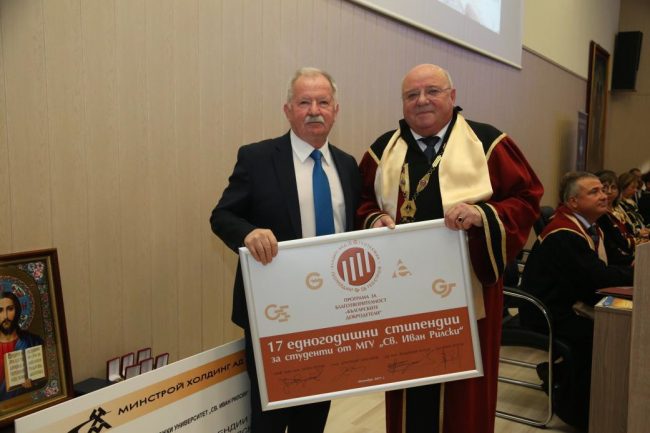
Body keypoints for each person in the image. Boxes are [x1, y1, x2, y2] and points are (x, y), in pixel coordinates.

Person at [356, 63, 543, 433]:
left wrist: (482, 214)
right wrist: (373, 218)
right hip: (403, 292)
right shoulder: (381, 151)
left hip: (469, 289)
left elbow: (527, 199)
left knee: (463, 392)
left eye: (432, 91)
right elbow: (360, 202)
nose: (422, 100)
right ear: (403, 102)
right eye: (412, 94)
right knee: (409, 381)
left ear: (452, 96)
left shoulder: (488, 143)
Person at [210, 67, 361, 433]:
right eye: (304, 102)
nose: (314, 111)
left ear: (335, 110)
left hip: (330, 309)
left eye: (323, 102)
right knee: (270, 416)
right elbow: (223, 215)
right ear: (288, 109)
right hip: (273, 312)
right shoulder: (257, 158)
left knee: (315, 411)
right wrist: (248, 233)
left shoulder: (347, 165)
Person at [519, 171, 634, 430]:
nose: (604, 195)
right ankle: (577, 411)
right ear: (573, 202)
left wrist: (633, 266)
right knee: (605, 335)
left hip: (567, 303)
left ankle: (569, 382)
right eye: (594, 192)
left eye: (602, 190)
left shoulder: (590, 225)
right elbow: (596, 280)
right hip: (546, 312)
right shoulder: (564, 233)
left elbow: (610, 264)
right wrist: (636, 273)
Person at [0, 291, 45, 400]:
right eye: (0, 310)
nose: (5, 316)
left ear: (18, 311)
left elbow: (47, 380)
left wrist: (34, 383)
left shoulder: (33, 341)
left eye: (10, 309)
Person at [595, 170, 635, 266]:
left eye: (613, 187)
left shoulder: (619, 207)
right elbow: (614, 244)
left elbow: (630, 232)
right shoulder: (599, 214)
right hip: (615, 261)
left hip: (627, 254)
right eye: (604, 187)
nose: (609, 192)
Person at [618, 171, 649, 239]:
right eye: (632, 187)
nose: (635, 190)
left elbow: (639, 220)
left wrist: (645, 229)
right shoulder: (618, 205)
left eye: (636, 188)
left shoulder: (631, 202)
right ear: (623, 187)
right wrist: (638, 232)